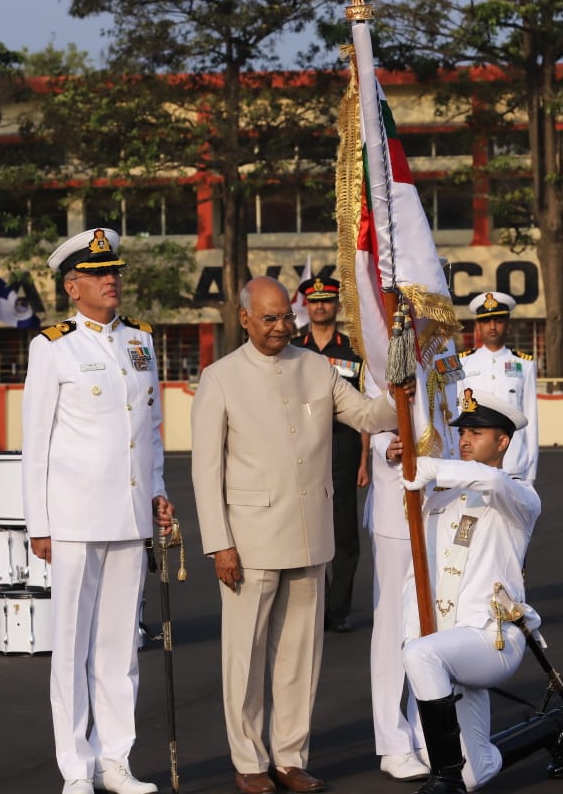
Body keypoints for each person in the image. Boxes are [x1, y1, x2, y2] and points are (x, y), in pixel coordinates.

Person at [191, 276, 402, 794]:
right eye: (270, 318)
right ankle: (248, 760)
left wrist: (403, 385)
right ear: (244, 319)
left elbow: (365, 415)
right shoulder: (219, 378)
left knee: (301, 657)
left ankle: (289, 757)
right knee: (245, 657)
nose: (282, 326)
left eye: (287, 316)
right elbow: (205, 470)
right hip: (249, 540)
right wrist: (219, 543)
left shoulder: (316, 367)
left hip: (311, 535)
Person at [22, 227, 175, 794]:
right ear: (73, 285)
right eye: (99, 273)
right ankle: (76, 769)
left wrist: (157, 490)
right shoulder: (53, 346)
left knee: (120, 649)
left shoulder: (141, 341)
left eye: (115, 271)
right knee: (71, 648)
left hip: (130, 514)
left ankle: (117, 761)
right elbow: (36, 441)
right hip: (75, 518)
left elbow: (150, 431)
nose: (112, 280)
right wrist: (38, 523)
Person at [393, 389, 563, 793]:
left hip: (490, 639)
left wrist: (431, 466)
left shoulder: (518, 496)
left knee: (420, 657)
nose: (464, 440)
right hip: (444, 644)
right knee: (475, 772)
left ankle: (445, 783)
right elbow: (416, 574)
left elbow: (489, 479)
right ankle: (551, 726)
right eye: (463, 432)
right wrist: (404, 464)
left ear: (503, 441)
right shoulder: (440, 496)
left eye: (477, 432)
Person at [291, 274, 370, 633]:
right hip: (302, 450)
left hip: (343, 448)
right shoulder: (294, 350)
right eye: (314, 300)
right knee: (306, 531)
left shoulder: (354, 350)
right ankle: (315, 608)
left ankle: (338, 611)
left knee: (344, 535)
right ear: (306, 306)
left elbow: (365, 406)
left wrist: (365, 459)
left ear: (337, 305)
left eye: (327, 300)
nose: (320, 305)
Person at [364, 414, 429, 782]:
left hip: (442, 496)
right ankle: (393, 742)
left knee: (432, 628)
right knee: (392, 629)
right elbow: (374, 410)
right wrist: (383, 445)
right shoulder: (386, 351)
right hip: (399, 505)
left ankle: (425, 732)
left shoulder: (447, 352)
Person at [451, 292, 539, 484]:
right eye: (486, 321)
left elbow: (531, 421)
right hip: (474, 464)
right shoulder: (464, 362)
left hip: (514, 464)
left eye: (498, 320)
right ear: (478, 326)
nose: (492, 326)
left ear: (508, 324)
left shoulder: (524, 364)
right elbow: (458, 416)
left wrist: (530, 475)